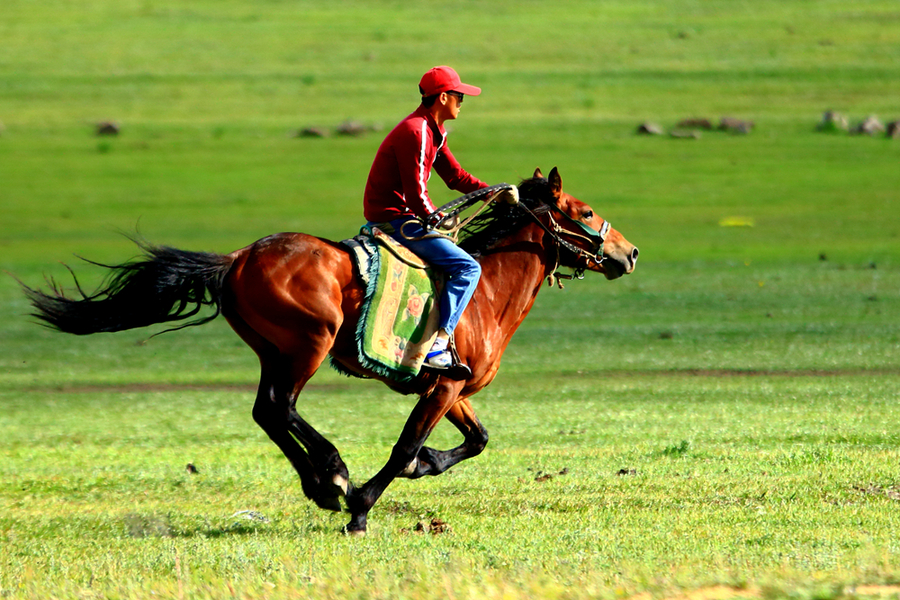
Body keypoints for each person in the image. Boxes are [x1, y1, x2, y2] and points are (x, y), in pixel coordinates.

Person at [363, 66, 506, 373]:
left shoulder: (432, 129)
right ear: (443, 97)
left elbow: (455, 176)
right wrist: (436, 218)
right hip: (396, 220)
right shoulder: (416, 132)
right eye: (459, 96)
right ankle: (439, 345)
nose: (461, 102)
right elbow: (416, 195)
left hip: (405, 215)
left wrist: (493, 193)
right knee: (468, 267)